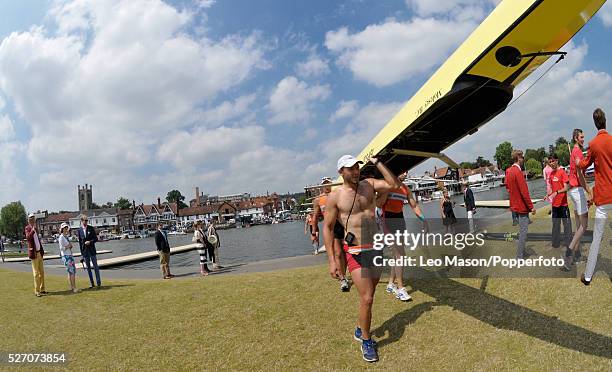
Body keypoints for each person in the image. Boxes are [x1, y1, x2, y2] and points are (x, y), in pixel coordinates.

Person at [323, 155, 402, 363]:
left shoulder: (370, 185)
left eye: (357, 166)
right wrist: (332, 260)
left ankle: (360, 328)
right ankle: (367, 341)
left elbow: (394, 184)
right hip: (356, 250)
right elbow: (328, 228)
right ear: (341, 172)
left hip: (375, 247)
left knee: (370, 294)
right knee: (367, 298)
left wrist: (376, 163)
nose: (355, 170)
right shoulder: (335, 197)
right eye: (350, 168)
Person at [377, 171, 424, 302]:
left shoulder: (405, 188)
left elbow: (414, 205)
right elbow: (378, 203)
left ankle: (391, 284)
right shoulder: (387, 185)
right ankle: (401, 289)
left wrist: (423, 220)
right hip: (388, 220)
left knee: (397, 255)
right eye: (403, 171)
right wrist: (387, 189)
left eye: (407, 171)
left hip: (400, 219)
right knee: (400, 255)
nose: (406, 173)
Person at [577, 108, 611, 285]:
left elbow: (583, 164)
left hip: (604, 197)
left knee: (597, 237)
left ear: (595, 123)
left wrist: (577, 162)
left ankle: (588, 276)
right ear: (605, 121)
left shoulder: (593, 143)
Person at [313, 178, 350, 292]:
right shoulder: (318, 200)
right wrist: (314, 231)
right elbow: (315, 216)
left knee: (347, 251)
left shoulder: (337, 194)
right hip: (331, 227)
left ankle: (346, 271)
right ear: (322, 186)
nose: (327, 185)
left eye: (329, 183)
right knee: (338, 253)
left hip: (343, 225)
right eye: (325, 184)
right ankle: (343, 278)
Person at [566, 128, 592, 265]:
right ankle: (569, 252)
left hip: (573, 191)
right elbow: (580, 173)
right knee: (584, 225)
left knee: (578, 225)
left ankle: (576, 253)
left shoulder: (576, 151)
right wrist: (588, 189)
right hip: (577, 190)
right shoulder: (577, 151)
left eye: (583, 136)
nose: (583, 139)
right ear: (576, 138)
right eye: (581, 137)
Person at [505, 150, 537, 259]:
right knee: (523, 232)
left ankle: (522, 252)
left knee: (521, 230)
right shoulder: (518, 172)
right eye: (522, 157)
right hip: (522, 206)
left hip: (515, 206)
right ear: (518, 158)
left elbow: (508, 188)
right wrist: (531, 207)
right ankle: (519, 256)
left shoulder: (508, 171)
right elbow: (524, 192)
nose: (523, 159)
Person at [546, 154, 572, 251]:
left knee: (567, 226)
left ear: (557, 160)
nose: (552, 163)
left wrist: (557, 192)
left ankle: (569, 245)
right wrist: (548, 194)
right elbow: (552, 189)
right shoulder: (551, 174)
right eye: (550, 162)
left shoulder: (562, 172)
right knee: (555, 226)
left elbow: (566, 188)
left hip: (563, 205)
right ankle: (555, 244)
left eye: (553, 161)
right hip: (555, 205)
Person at [77, 214, 102, 289]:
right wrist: (82, 255)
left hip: (92, 250)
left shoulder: (91, 228)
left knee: (95, 267)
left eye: (87, 220)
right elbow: (80, 243)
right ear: (81, 221)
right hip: (85, 252)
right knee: (88, 268)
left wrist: (90, 242)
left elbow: (96, 239)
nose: (86, 222)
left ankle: (98, 283)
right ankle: (92, 283)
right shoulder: (79, 230)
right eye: (85, 220)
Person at [25, 213, 46, 297]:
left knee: (42, 272)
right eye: (31, 218)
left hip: (39, 252)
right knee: (36, 273)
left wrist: (41, 251)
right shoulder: (28, 228)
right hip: (33, 254)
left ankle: (42, 289)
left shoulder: (36, 228)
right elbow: (28, 238)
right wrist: (33, 230)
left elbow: (38, 241)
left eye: (34, 218)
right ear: (29, 220)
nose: (33, 220)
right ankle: (37, 291)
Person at [58, 223, 79, 293]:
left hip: (69, 255)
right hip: (66, 256)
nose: (66, 229)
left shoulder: (65, 236)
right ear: (62, 229)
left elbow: (67, 246)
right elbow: (61, 248)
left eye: (66, 228)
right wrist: (68, 246)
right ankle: (74, 287)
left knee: (71, 272)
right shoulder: (61, 237)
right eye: (64, 228)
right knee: (72, 272)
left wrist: (70, 246)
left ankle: (72, 287)